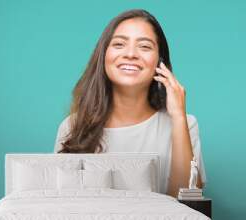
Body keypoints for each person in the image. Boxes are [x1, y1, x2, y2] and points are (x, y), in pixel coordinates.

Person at [53, 9, 206, 197]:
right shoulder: (72, 126)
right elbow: (63, 206)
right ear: (104, 56)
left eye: (144, 46)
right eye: (119, 44)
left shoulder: (184, 124)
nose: (131, 54)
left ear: (160, 63)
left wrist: (178, 117)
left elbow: (189, 207)